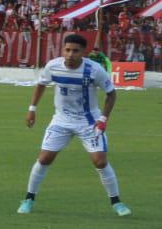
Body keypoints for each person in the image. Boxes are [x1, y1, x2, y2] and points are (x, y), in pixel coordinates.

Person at [18, 34, 129, 216]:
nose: (70, 54)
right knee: (45, 158)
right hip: (61, 120)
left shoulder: (94, 70)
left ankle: (117, 203)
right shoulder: (53, 66)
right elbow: (41, 84)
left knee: (100, 162)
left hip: (89, 122)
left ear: (83, 53)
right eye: (67, 50)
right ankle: (28, 199)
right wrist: (32, 109)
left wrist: (103, 119)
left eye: (75, 51)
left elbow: (111, 93)